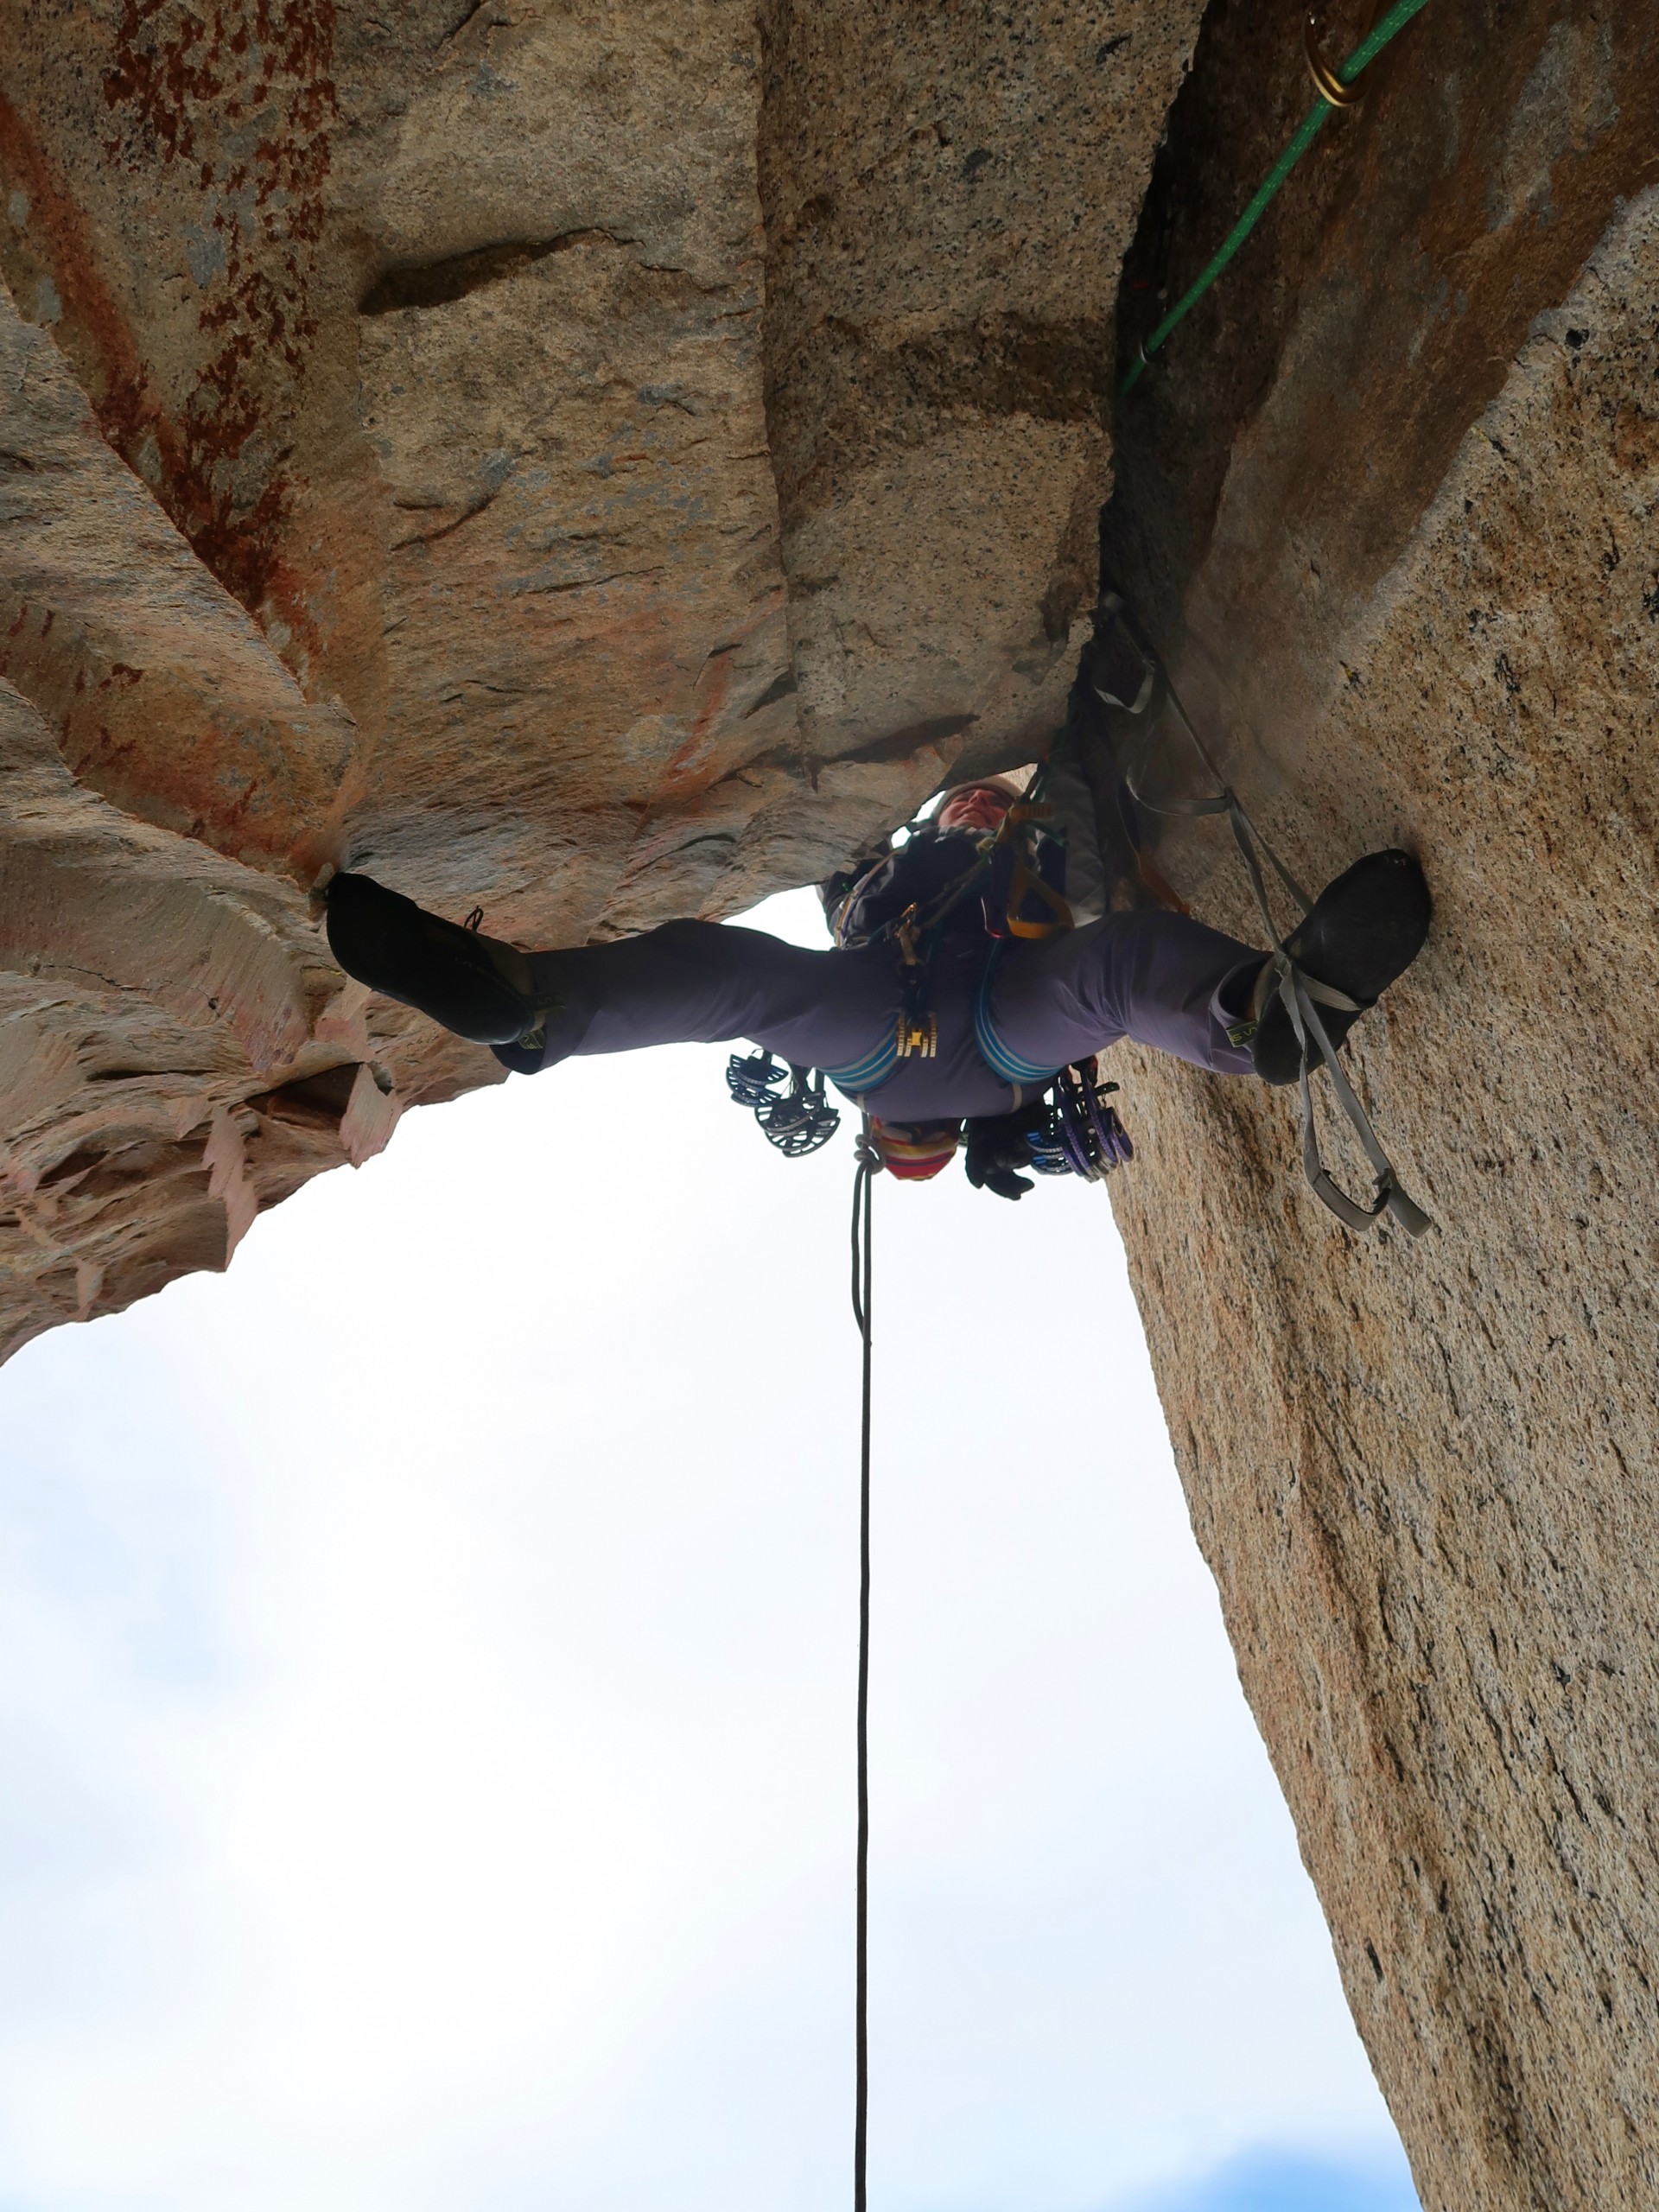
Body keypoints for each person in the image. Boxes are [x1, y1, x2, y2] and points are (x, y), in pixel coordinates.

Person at [321, 601, 1432, 1200]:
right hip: (969, 1020)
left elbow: (849, 855)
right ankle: (537, 1011)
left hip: (946, 1034)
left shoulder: (899, 890)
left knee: (1105, 971)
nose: (968, 813)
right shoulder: (968, 870)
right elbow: (1027, 821)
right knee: (748, 985)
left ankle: (536, 1012)